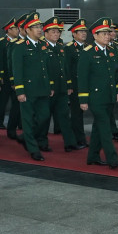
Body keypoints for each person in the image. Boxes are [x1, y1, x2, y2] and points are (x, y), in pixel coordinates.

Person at [78, 17, 118, 169]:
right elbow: (82, 78)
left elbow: (117, 74)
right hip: (96, 98)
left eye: (108, 33)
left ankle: (92, 156)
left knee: (98, 127)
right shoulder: (87, 53)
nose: (107, 36)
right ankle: (113, 159)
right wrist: (83, 99)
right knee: (105, 128)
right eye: (103, 33)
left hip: (109, 96)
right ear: (95, 35)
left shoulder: (110, 51)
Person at [12, 12, 52, 161]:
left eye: (40, 26)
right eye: (35, 27)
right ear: (27, 30)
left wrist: (50, 86)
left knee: (44, 117)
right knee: (27, 120)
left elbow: (46, 68)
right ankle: (33, 148)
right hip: (28, 90)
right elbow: (17, 70)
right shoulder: (20, 47)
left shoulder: (43, 45)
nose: (39, 29)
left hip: (43, 88)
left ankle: (28, 138)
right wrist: (20, 90)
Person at [42, 16, 78, 152]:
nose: (56, 34)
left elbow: (65, 68)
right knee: (45, 117)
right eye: (53, 32)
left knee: (64, 115)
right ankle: (42, 142)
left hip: (62, 88)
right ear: (46, 33)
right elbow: (44, 70)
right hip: (48, 89)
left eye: (58, 32)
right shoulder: (42, 47)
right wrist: (49, 86)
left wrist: (68, 85)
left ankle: (70, 142)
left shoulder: (61, 47)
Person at [65, 19, 90, 149]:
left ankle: (81, 137)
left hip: (87, 85)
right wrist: (69, 85)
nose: (84, 34)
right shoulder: (69, 48)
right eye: (80, 32)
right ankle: (78, 138)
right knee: (76, 113)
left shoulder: (88, 47)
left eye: (85, 31)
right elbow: (67, 68)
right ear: (74, 34)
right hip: (75, 85)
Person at [6, 13, 29, 141]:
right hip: (19, 80)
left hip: (31, 81)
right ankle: (11, 129)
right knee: (16, 107)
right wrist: (13, 81)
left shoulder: (33, 42)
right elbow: (11, 63)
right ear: (20, 29)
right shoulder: (14, 43)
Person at [0, 17, 18, 129]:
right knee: (3, 102)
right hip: (5, 77)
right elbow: (0, 61)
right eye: (14, 28)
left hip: (15, 76)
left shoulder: (18, 42)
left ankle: (15, 123)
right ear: (8, 30)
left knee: (16, 101)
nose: (17, 30)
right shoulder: (1, 42)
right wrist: (0, 76)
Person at [108, 23, 118, 141]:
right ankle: (112, 130)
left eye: (115, 32)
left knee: (111, 108)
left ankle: (112, 130)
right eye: (111, 31)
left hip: (117, 80)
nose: (113, 34)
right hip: (107, 82)